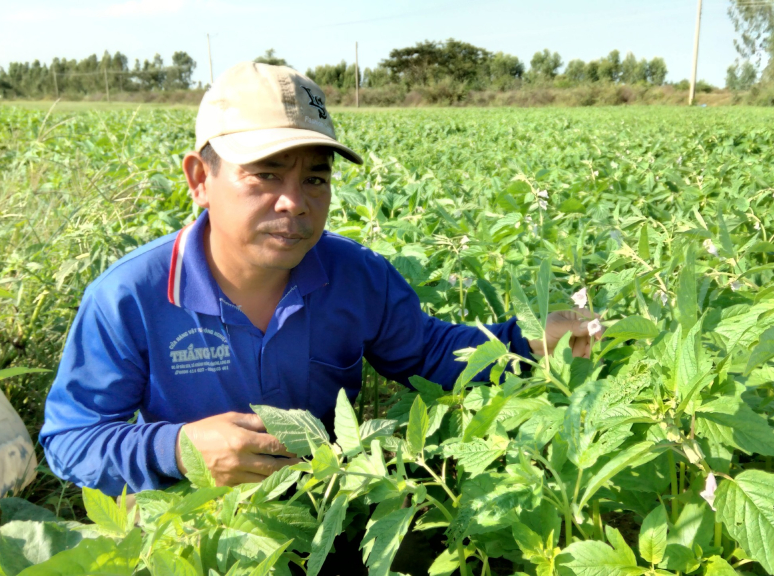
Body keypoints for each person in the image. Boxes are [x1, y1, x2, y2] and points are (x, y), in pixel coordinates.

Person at [39, 62, 599, 496]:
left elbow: (430, 354)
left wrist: (526, 340)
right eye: (264, 175)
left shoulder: (355, 276)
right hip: (199, 524)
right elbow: (71, 440)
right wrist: (178, 448)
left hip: (327, 501)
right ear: (199, 178)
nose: (294, 203)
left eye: (315, 178)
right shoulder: (129, 296)